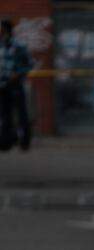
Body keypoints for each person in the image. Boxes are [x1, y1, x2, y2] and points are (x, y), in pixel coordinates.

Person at [0, 19, 33, 151]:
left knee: (21, 113)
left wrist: (18, 73)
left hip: (15, 84)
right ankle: (6, 140)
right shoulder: (1, 45)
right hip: (2, 84)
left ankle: (25, 140)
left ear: (6, 29)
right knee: (5, 113)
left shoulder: (19, 46)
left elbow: (29, 64)